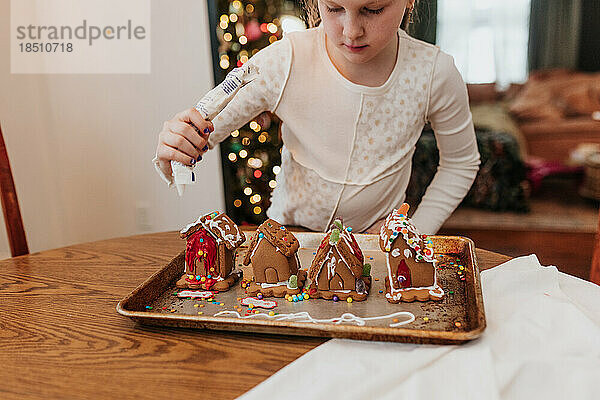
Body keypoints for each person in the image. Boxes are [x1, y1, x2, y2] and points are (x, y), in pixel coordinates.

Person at [154, 0, 480, 235]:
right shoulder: (286, 60)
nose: (351, 31)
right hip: (290, 238)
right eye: (334, 8)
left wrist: (415, 234)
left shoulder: (434, 72)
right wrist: (177, 144)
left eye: (373, 9)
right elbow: (200, 137)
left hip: (375, 242)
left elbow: (461, 163)